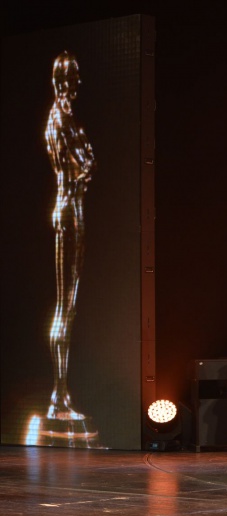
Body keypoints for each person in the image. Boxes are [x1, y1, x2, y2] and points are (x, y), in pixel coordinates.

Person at [45, 51, 95, 421]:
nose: (77, 83)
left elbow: (87, 159)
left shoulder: (65, 116)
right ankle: (58, 395)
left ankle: (60, 394)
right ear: (63, 80)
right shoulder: (59, 118)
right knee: (64, 307)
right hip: (68, 209)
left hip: (73, 209)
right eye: (73, 77)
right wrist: (87, 162)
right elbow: (83, 162)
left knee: (70, 307)